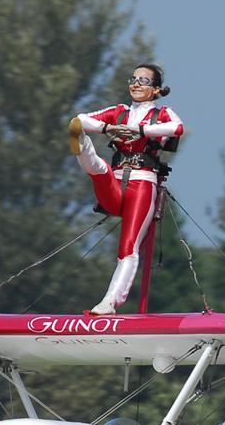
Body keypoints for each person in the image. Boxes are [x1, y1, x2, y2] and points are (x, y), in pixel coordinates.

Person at [69, 64, 183, 315]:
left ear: (155, 90)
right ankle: (83, 147)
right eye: (133, 79)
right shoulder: (118, 112)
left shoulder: (163, 113)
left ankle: (110, 301)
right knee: (99, 171)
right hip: (116, 181)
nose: (136, 84)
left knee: (128, 248)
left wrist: (140, 130)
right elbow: (80, 119)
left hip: (142, 185)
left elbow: (176, 128)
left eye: (143, 81)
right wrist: (107, 128)